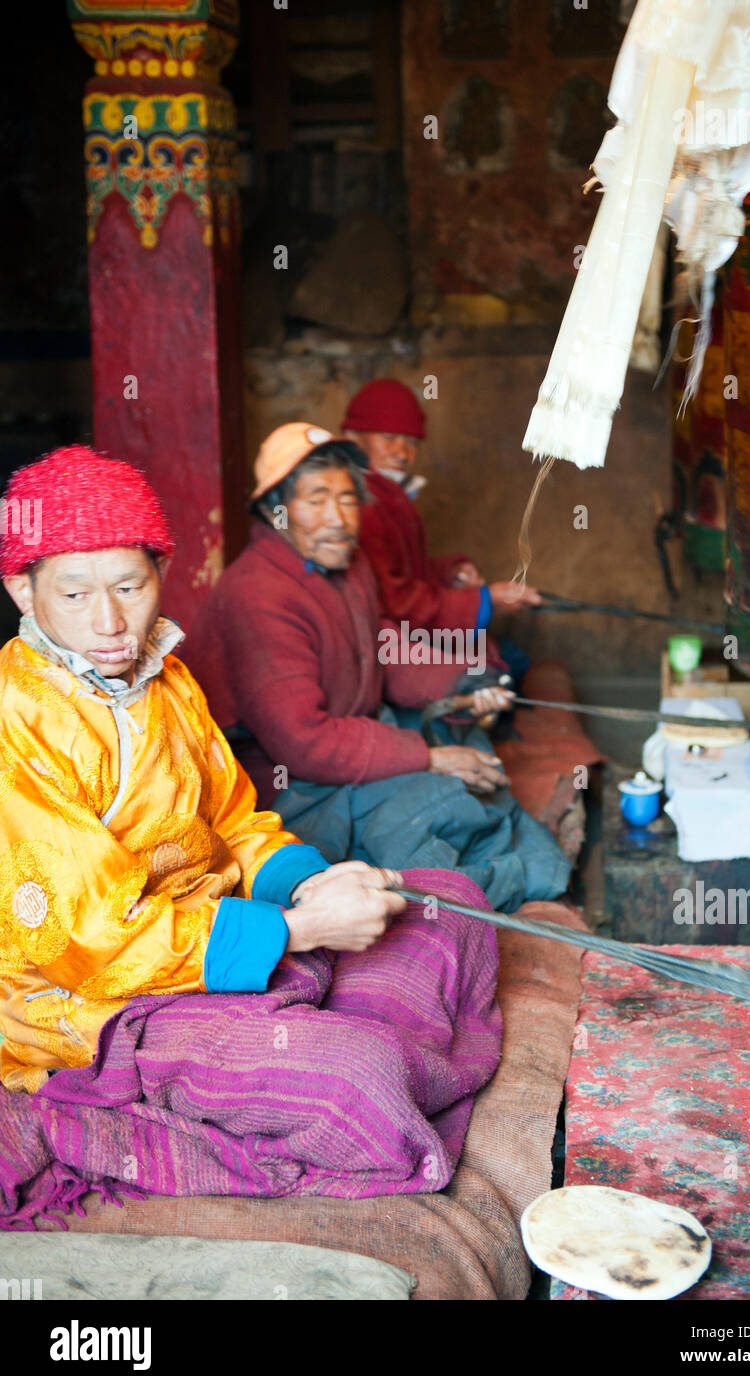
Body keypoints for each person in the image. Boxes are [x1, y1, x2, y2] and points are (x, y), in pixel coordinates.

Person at [0, 446, 502, 1225]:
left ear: (159, 573)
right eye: (75, 593)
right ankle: (342, 1045)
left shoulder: (163, 676)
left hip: (219, 921)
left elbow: (235, 820)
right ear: (21, 590)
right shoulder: (18, 725)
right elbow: (92, 938)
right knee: (355, 1078)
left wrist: (307, 883)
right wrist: (296, 929)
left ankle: (319, 1025)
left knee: (447, 904)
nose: (109, 623)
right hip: (90, 997)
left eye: (131, 587)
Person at [182, 423, 571, 912]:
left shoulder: (349, 564)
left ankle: (517, 874)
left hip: (347, 741)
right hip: (283, 787)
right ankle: (502, 886)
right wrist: (427, 757)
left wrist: (464, 681)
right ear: (275, 509)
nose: (337, 519)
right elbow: (305, 742)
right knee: (432, 806)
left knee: (467, 750)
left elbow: (381, 647)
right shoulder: (258, 594)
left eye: (347, 500)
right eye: (316, 499)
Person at [341, 379, 541, 667]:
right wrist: (483, 600)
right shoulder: (362, 505)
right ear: (352, 438)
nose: (402, 453)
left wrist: (450, 573)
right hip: (381, 648)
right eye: (388, 437)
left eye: (411, 442)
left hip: (405, 634)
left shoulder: (393, 496)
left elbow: (406, 571)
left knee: (506, 657)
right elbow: (394, 600)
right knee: (493, 667)